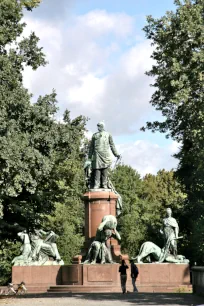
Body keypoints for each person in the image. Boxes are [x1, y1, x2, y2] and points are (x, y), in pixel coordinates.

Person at [88, 122, 120, 189]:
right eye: (98, 126)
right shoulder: (94, 135)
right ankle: (96, 184)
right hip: (97, 155)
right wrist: (89, 158)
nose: (98, 127)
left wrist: (116, 154)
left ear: (103, 126)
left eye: (99, 126)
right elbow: (91, 147)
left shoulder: (108, 135)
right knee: (97, 169)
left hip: (105, 155)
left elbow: (112, 145)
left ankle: (104, 185)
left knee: (104, 170)